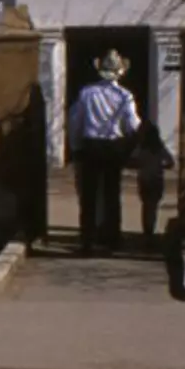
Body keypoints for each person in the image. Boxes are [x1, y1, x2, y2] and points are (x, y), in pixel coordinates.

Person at [69, 49, 141, 254]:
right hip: (113, 147)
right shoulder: (125, 96)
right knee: (112, 194)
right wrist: (131, 141)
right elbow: (133, 125)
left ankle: (87, 240)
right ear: (120, 72)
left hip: (91, 145)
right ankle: (112, 239)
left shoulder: (87, 92)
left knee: (89, 195)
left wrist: (75, 146)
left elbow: (75, 121)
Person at [132, 126, 175, 243]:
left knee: (145, 205)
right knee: (153, 206)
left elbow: (133, 160)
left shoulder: (141, 148)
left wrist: (142, 165)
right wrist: (162, 166)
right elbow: (171, 162)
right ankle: (151, 228)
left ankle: (146, 229)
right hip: (157, 179)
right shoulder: (160, 149)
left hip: (144, 179)